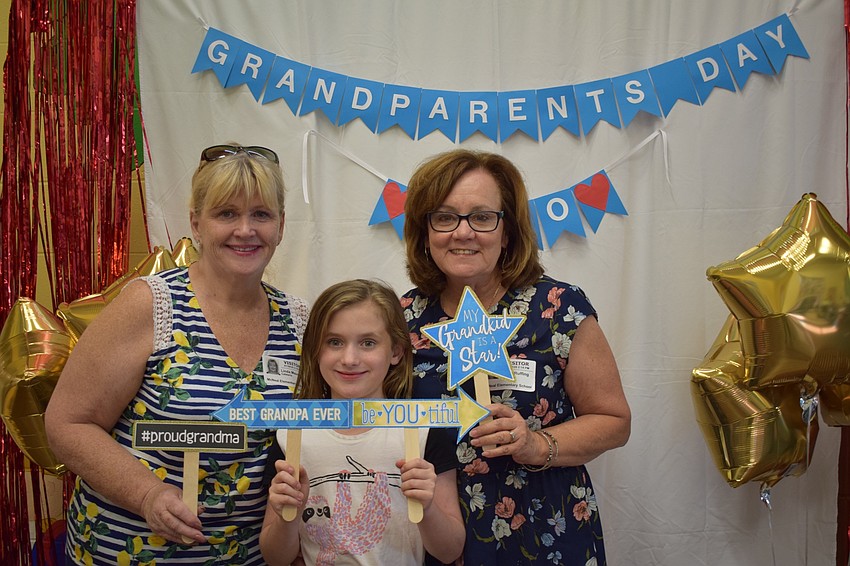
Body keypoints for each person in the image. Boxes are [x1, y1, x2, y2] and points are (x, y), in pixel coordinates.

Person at [45, 143, 309, 565]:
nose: (246, 230)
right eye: (226, 213)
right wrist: (147, 494)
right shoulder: (150, 305)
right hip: (132, 552)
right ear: (196, 223)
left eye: (261, 214)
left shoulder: (299, 319)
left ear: (281, 227)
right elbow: (66, 423)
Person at [401, 149, 631, 565]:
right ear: (425, 231)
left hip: (546, 534)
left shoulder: (559, 307)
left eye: (482, 217)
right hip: (435, 535)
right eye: (445, 217)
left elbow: (614, 422)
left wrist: (537, 443)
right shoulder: (400, 320)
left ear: (507, 231)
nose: (463, 232)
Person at [259, 279, 465, 565]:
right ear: (316, 350)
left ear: (395, 352)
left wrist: (428, 507)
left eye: (368, 343)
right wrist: (285, 516)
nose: (350, 358)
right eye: (334, 342)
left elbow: (450, 550)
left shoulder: (424, 433)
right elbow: (274, 557)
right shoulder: (292, 435)